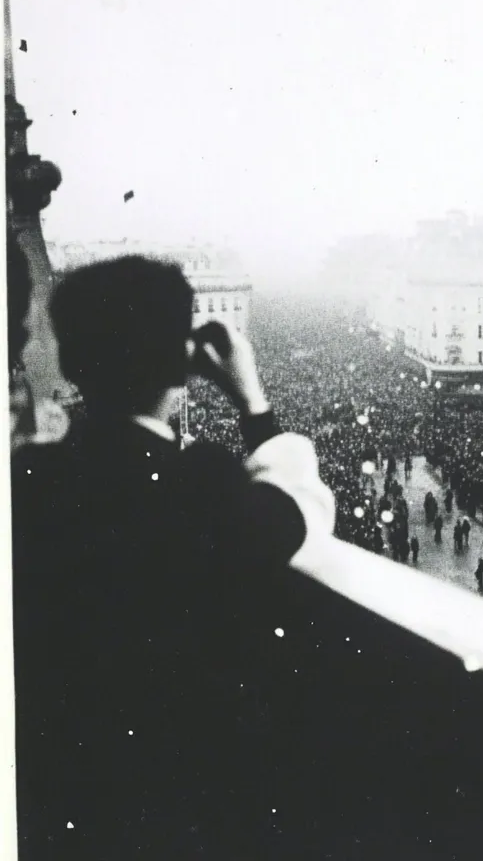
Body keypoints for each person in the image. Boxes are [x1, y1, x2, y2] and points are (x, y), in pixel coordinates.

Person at [11, 255, 335, 858]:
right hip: (182, 794)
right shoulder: (200, 482)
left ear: (72, 361)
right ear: (181, 362)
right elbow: (302, 509)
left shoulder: (28, 477)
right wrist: (252, 401)